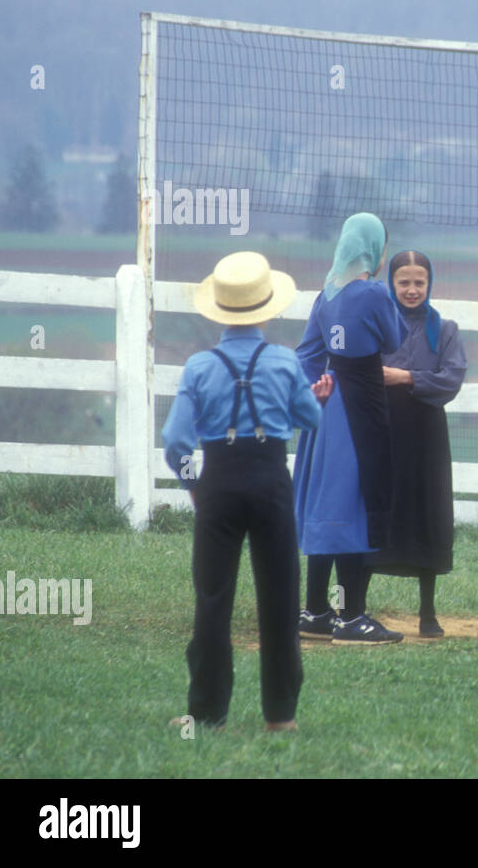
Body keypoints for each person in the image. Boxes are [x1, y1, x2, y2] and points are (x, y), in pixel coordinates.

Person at [163, 251, 326, 733]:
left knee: (213, 597)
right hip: (272, 482)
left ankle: (207, 712)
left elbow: (175, 441)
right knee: (279, 597)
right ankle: (281, 715)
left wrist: (195, 484)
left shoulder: (198, 366)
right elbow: (310, 420)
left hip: (218, 484)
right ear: (267, 309)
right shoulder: (284, 362)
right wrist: (311, 398)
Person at [293, 212, 409, 645]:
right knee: (355, 504)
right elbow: (394, 340)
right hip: (361, 405)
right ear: (374, 251)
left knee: (327, 505)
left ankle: (315, 611)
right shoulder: (373, 293)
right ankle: (353, 616)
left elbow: (307, 355)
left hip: (328, 408)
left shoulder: (325, 295)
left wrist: (313, 393)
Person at [368, 250, 468, 637]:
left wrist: (405, 378)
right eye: (403, 282)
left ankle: (428, 613)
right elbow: (363, 372)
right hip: (383, 431)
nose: (412, 290)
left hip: (426, 435)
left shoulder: (444, 330)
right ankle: (353, 605)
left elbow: (451, 379)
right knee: (377, 509)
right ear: (391, 284)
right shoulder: (375, 325)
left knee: (428, 514)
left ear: (430, 283)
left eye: (419, 282)